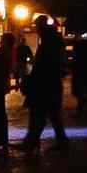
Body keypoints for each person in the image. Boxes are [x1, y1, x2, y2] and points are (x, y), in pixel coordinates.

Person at [20, 16, 69, 151]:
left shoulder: (48, 43)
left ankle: (32, 142)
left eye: (37, 27)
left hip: (45, 84)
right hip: (50, 83)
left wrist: (32, 79)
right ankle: (37, 141)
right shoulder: (52, 41)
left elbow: (43, 66)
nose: (36, 29)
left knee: (40, 114)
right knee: (51, 115)